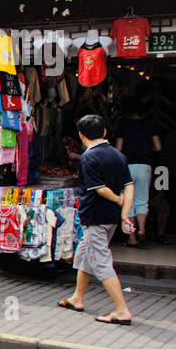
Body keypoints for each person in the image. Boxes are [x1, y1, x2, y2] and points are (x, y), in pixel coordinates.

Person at [57, 114, 135, 325]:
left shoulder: (88, 158)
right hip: (110, 219)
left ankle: (121, 310)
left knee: (101, 263)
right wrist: (125, 212)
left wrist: (118, 200)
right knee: (85, 254)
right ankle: (77, 297)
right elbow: (129, 186)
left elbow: (99, 189)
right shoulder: (118, 155)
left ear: (81, 135)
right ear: (105, 132)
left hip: (95, 217)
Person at [114, 107, 161, 246]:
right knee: (142, 200)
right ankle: (141, 229)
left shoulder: (124, 125)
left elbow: (118, 149)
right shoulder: (150, 125)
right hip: (144, 165)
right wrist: (147, 150)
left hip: (127, 165)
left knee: (129, 201)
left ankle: (132, 237)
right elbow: (158, 147)